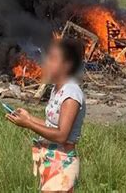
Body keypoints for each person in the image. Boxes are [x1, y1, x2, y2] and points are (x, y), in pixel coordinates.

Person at [6, 39, 86, 192]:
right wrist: (28, 118)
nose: (47, 62)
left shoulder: (71, 94)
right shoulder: (57, 89)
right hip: (52, 160)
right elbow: (52, 125)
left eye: (53, 59)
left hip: (62, 163)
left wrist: (28, 124)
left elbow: (62, 135)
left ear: (67, 65)